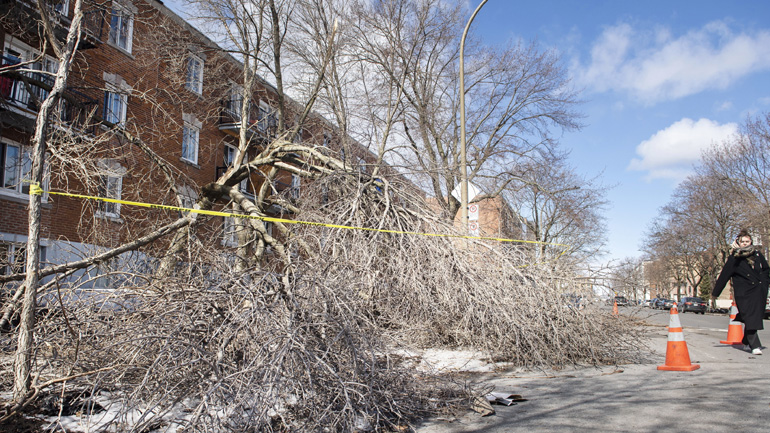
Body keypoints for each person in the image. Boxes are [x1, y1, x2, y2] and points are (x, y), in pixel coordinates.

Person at [711, 229, 770, 355]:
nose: (745, 243)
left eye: (747, 241)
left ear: (751, 242)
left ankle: (746, 341)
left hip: (758, 291)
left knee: (754, 317)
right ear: (738, 242)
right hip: (744, 292)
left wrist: (764, 284)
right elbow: (724, 275)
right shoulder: (735, 257)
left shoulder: (758, 255)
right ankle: (755, 345)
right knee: (750, 317)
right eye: (742, 241)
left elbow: (766, 270)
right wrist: (715, 294)